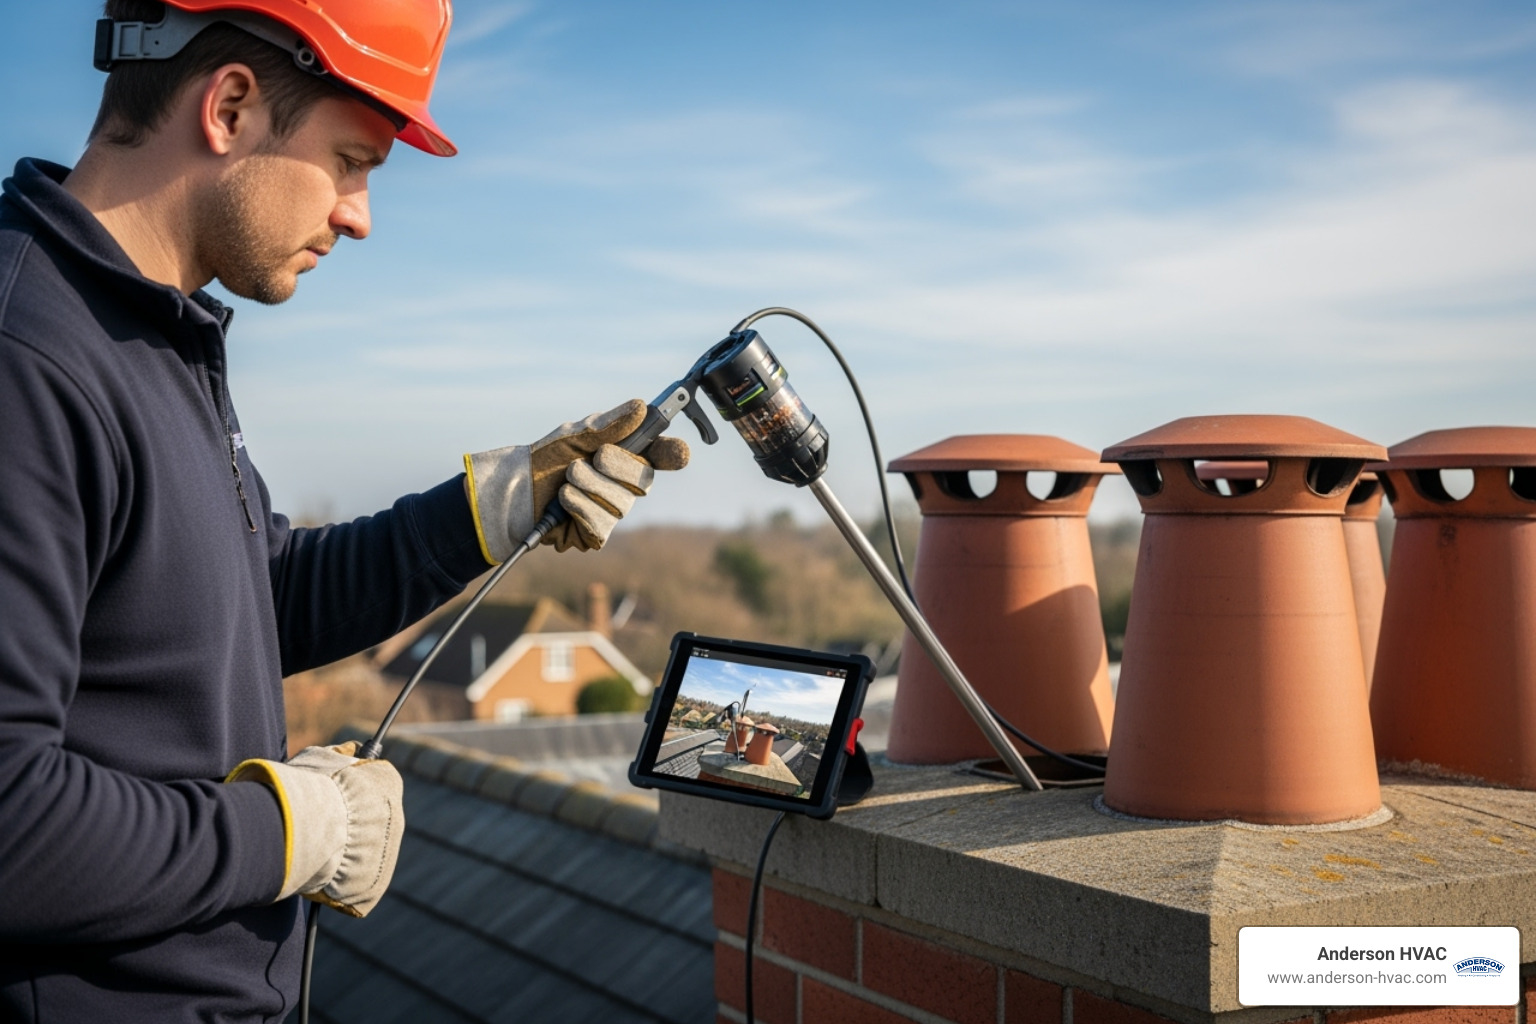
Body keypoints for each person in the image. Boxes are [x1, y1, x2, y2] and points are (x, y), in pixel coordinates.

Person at [0, 2, 687, 1020]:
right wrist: (293, 829)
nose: (359, 215)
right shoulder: (27, 362)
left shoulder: (147, 336)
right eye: (351, 161)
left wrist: (491, 512)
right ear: (231, 107)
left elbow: (244, 600)